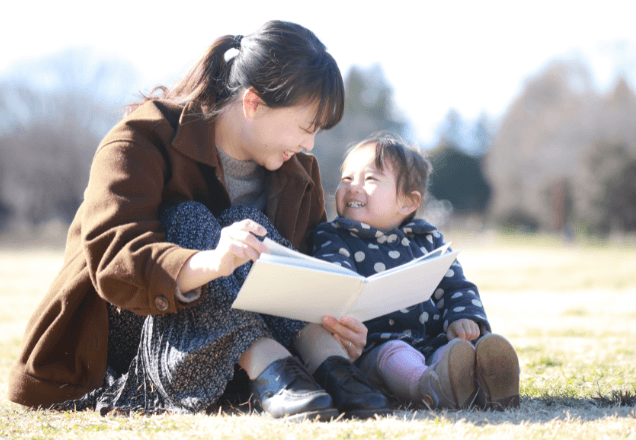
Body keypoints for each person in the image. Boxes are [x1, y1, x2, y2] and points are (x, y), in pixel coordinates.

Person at [8, 21, 390, 421]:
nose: (309, 145)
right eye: (304, 127)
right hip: (130, 339)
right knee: (190, 217)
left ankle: (328, 363)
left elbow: (301, 277)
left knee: (247, 222)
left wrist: (334, 323)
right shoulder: (142, 138)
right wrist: (210, 263)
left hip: (228, 363)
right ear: (253, 103)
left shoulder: (298, 172)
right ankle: (268, 364)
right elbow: (113, 260)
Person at [310, 134, 520, 410]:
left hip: (430, 341)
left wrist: (464, 317)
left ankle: (487, 382)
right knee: (397, 356)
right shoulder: (334, 235)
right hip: (374, 347)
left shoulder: (426, 239)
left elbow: (456, 285)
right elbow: (336, 277)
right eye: (346, 179)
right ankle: (430, 386)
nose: (353, 187)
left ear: (408, 203)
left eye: (370, 179)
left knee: (455, 351)